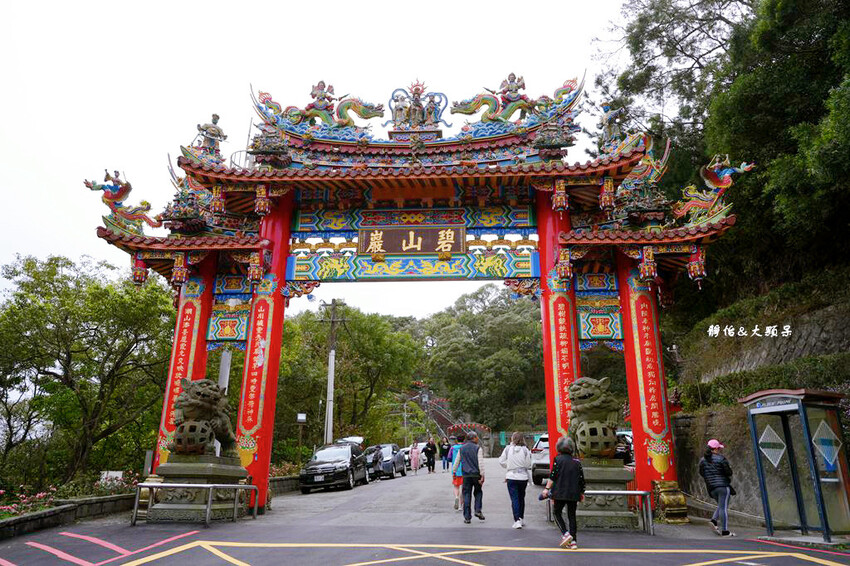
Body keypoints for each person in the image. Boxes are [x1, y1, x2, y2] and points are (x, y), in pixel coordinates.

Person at [541, 437, 585, 549]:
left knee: (557, 513)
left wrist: (546, 489)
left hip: (560, 492)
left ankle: (565, 534)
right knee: (572, 516)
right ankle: (574, 541)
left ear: (559, 447)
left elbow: (553, 476)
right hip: (574, 493)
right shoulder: (577, 462)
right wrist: (582, 492)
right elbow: (581, 479)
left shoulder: (558, 459)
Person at [699, 438, 735, 537]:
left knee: (721, 505)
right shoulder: (721, 459)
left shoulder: (702, 460)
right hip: (723, 486)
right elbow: (729, 472)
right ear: (715, 449)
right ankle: (725, 531)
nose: (719, 450)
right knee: (723, 508)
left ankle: (714, 521)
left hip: (711, 488)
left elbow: (702, 473)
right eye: (718, 449)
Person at [499, 431, 532, 529]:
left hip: (511, 476)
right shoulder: (526, 450)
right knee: (521, 498)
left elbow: (501, 461)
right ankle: (521, 518)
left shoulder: (508, 449)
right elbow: (528, 464)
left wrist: (508, 465)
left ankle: (516, 520)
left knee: (514, 499)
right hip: (523, 477)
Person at [453, 431, 485, 524]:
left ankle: (467, 517)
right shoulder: (478, 448)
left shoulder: (462, 448)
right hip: (476, 474)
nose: (477, 439)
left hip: (466, 475)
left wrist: (454, 471)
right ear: (474, 438)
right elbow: (481, 463)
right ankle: (478, 510)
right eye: (477, 437)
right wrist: (482, 475)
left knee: (466, 494)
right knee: (478, 492)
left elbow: (457, 461)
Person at [448, 433, 466, 510]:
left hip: (455, 470)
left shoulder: (452, 448)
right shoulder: (465, 447)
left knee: (456, 486)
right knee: (463, 487)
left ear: (456, 440)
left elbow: (449, 458)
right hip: (464, 470)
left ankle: (456, 497)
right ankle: (461, 505)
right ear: (464, 440)